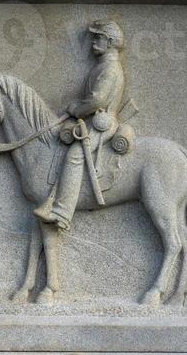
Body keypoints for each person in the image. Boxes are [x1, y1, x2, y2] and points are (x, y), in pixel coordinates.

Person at [33, 19, 126, 231]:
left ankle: (62, 213)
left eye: (99, 37)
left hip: (102, 123)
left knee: (75, 154)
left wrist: (75, 109)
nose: (94, 41)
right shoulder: (103, 65)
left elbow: (98, 100)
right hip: (91, 120)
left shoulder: (110, 68)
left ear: (110, 42)